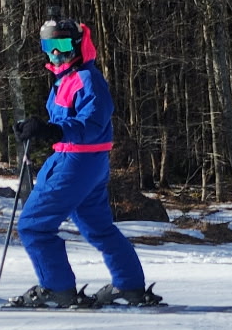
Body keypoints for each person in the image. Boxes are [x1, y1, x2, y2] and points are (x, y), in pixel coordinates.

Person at [10, 17, 159, 308]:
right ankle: (128, 286)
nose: (55, 53)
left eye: (62, 45)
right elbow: (61, 123)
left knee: (33, 226)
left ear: (78, 45)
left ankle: (56, 289)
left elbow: (92, 122)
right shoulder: (65, 79)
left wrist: (53, 130)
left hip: (76, 162)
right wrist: (36, 128)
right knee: (97, 227)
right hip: (84, 162)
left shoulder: (87, 79)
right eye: (48, 46)